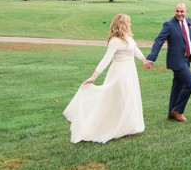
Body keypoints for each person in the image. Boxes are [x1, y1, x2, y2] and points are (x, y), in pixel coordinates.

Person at [63, 13, 147, 143]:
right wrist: (93, 76)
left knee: (130, 96)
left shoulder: (129, 37)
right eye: (128, 22)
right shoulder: (115, 41)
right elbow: (106, 60)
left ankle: (129, 125)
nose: (130, 24)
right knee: (122, 96)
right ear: (122, 24)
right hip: (120, 72)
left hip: (131, 71)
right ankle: (114, 125)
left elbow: (135, 49)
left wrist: (144, 60)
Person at [144, 2, 191, 122]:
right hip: (177, 61)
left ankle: (171, 114)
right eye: (177, 11)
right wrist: (151, 58)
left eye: (182, 11)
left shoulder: (190, 21)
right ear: (175, 11)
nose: (179, 13)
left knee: (178, 86)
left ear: (186, 12)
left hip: (186, 60)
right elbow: (159, 41)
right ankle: (177, 110)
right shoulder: (169, 25)